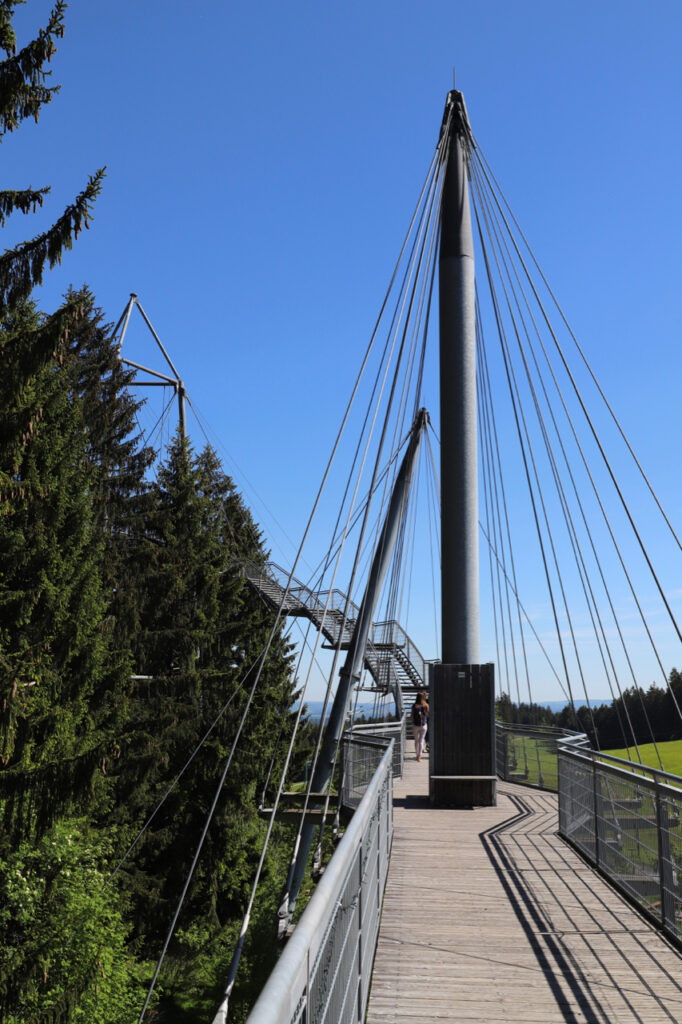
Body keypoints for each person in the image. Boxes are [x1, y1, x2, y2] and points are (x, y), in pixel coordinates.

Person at [411, 690, 429, 762]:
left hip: (416, 725)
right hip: (423, 725)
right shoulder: (426, 705)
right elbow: (427, 714)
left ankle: (416, 755)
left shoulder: (414, 706)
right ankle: (419, 756)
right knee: (421, 741)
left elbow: (412, 716)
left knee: (416, 741)